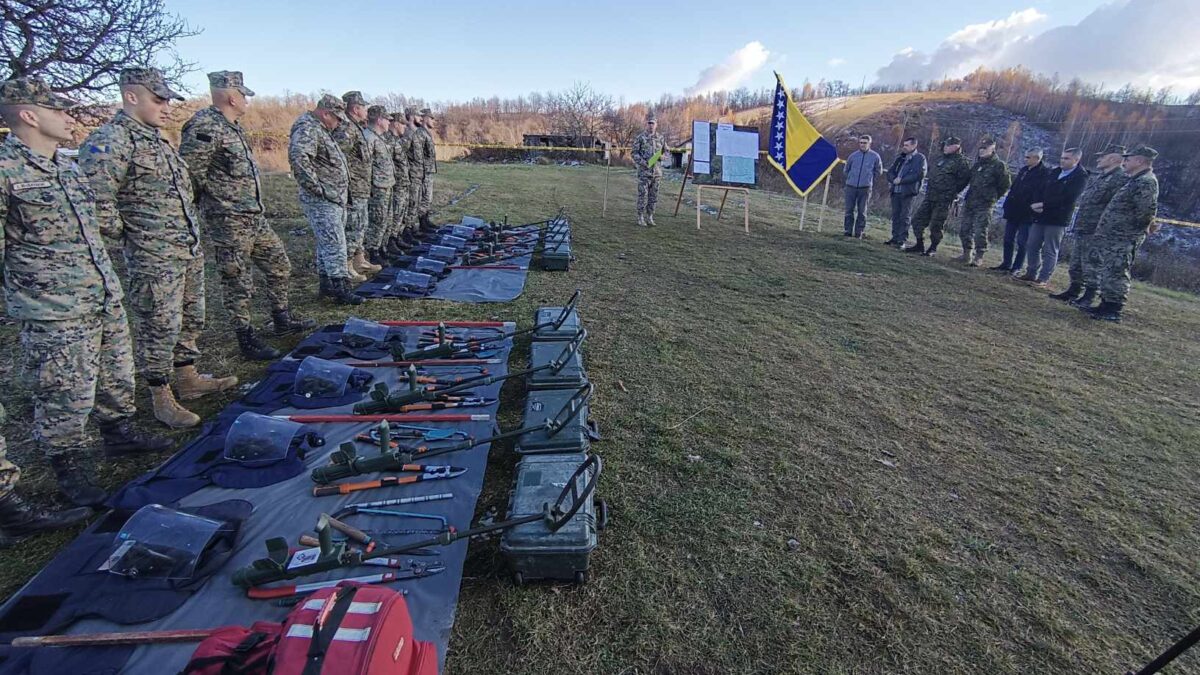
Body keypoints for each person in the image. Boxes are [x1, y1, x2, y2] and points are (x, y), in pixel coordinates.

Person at [0, 76, 171, 508]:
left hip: (100, 290)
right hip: (54, 305)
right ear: (29, 115)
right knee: (65, 390)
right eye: (58, 110)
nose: (67, 116)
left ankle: (119, 433)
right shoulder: (6, 169)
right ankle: (69, 465)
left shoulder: (66, 165)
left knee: (116, 372)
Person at [80, 68, 238, 431]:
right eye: (158, 99)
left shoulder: (158, 139)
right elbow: (96, 202)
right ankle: (160, 394)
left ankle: (188, 377)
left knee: (190, 317)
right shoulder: (111, 140)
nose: (166, 107)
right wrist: (135, 236)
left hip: (185, 247)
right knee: (159, 325)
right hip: (153, 256)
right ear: (131, 96)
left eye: (168, 99)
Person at [179, 71, 314, 362]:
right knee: (238, 280)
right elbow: (189, 176)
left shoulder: (233, 127)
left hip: (254, 216)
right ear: (231, 96)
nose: (247, 101)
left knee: (279, 265)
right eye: (244, 95)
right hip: (229, 219)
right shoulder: (205, 126)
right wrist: (214, 206)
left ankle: (281, 318)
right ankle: (246, 337)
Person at [288, 94, 362, 306]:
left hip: (333, 198)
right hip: (322, 199)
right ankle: (341, 289)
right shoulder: (308, 128)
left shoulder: (321, 129)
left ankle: (327, 285)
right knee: (336, 243)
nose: (339, 123)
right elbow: (299, 159)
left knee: (327, 243)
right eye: (337, 118)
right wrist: (319, 189)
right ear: (325, 113)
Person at [1085, 145, 1160, 323]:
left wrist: (1142, 228)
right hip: (1114, 235)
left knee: (1118, 270)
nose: (1124, 162)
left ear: (1140, 161)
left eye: (1128, 159)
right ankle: (1105, 303)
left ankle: (1113, 308)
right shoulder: (1134, 180)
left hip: (1124, 236)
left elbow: (1145, 212)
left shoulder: (1146, 182)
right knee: (1109, 269)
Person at [1051, 144, 1128, 306]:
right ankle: (1074, 290)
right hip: (1085, 226)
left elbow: (1117, 206)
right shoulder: (1102, 176)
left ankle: (1089, 295)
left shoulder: (1120, 179)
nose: (1098, 159)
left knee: (1092, 263)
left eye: (1102, 156)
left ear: (1113, 158)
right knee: (1077, 262)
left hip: (1098, 229)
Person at [1018, 148, 1088, 288]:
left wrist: (1044, 204)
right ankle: (1031, 272)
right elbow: (1041, 189)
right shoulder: (1055, 172)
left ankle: (1043, 278)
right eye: (1062, 157)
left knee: (1050, 249)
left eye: (1067, 158)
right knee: (1032, 244)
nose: (1063, 160)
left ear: (1076, 160)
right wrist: (1036, 204)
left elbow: (1068, 198)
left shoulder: (1080, 177)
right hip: (1041, 214)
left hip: (1058, 218)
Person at [331, 91, 374, 283]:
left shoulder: (356, 128)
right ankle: (347, 267)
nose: (366, 110)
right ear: (356, 109)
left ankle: (359, 260)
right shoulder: (347, 129)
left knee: (361, 225)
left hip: (361, 186)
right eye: (363, 107)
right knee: (353, 228)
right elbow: (338, 159)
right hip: (353, 188)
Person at [904, 136, 971, 256]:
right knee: (917, 221)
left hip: (943, 200)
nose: (945, 147)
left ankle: (933, 248)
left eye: (948, 145)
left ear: (956, 147)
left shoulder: (961, 162)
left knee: (936, 224)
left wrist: (951, 192)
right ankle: (919, 244)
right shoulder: (941, 158)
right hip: (930, 196)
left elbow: (964, 180)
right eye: (945, 145)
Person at [955, 137, 1011, 266]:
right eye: (980, 148)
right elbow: (969, 180)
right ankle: (966, 254)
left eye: (985, 149)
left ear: (992, 149)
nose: (981, 151)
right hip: (970, 202)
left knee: (980, 230)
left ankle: (979, 256)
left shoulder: (999, 165)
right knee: (965, 229)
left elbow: (1005, 185)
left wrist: (992, 197)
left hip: (985, 204)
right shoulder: (978, 164)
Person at [993, 147, 1051, 272]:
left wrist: (1034, 207)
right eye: (1025, 157)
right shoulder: (1024, 170)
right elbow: (1014, 188)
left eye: (1028, 157)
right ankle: (1006, 263)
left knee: (1022, 242)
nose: (1025, 159)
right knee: (1008, 239)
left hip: (1028, 213)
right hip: (1013, 210)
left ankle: (1017, 267)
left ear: (1037, 158)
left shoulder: (1044, 173)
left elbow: (1042, 193)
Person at [361, 105, 395, 267]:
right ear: (379, 120)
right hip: (376, 187)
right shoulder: (368, 137)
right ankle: (372, 252)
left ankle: (380, 247)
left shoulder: (378, 137)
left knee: (384, 219)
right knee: (377, 220)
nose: (389, 122)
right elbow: (365, 165)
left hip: (386, 184)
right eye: (387, 119)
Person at [884, 137, 926, 247]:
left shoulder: (920, 158)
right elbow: (891, 171)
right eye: (904, 145)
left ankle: (902, 240)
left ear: (914, 146)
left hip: (907, 192)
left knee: (905, 216)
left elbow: (918, 174)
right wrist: (893, 179)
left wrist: (902, 181)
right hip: (895, 191)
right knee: (896, 215)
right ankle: (895, 237)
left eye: (907, 145)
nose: (904, 147)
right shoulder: (900, 158)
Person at [631, 111, 668, 227]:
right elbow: (634, 153)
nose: (651, 125)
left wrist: (662, 156)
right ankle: (640, 217)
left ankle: (650, 216)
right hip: (644, 173)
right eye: (649, 123)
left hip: (656, 173)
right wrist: (643, 163)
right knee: (643, 195)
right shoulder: (641, 138)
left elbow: (666, 151)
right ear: (646, 124)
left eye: (653, 123)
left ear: (656, 124)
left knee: (653, 196)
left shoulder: (660, 138)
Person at [842, 134, 883, 238]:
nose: (862, 145)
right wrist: (851, 178)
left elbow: (879, 171)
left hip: (865, 188)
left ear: (869, 143)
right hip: (851, 186)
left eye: (865, 143)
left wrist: (869, 178)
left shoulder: (875, 156)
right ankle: (847, 230)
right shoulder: (853, 156)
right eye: (861, 143)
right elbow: (846, 169)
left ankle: (859, 232)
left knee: (862, 210)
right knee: (849, 209)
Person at [387, 111, 412, 255]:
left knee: (400, 212)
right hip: (394, 184)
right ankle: (390, 241)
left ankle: (396, 237)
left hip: (402, 181)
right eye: (403, 124)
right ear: (395, 124)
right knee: (394, 214)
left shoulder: (396, 140)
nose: (405, 127)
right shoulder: (388, 140)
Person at [402, 107, 425, 238]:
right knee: (410, 204)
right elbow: (401, 155)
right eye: (418, 115)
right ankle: (406, 231)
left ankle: (410, 228)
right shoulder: (407, 133)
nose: (420, 118)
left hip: (418, 174)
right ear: (411, 116)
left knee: (415, 204)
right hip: (411, 175)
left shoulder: (416, 133)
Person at [416, 108, 438, 231]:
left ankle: (426, 220)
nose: (433, 121)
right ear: (424, 118)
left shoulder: (426, 133)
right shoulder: (420, 133)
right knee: (424, 198)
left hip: (429, 170)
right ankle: (422, 223)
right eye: (430, 118)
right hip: (424, 171)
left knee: (428, 198)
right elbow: (419, 154)